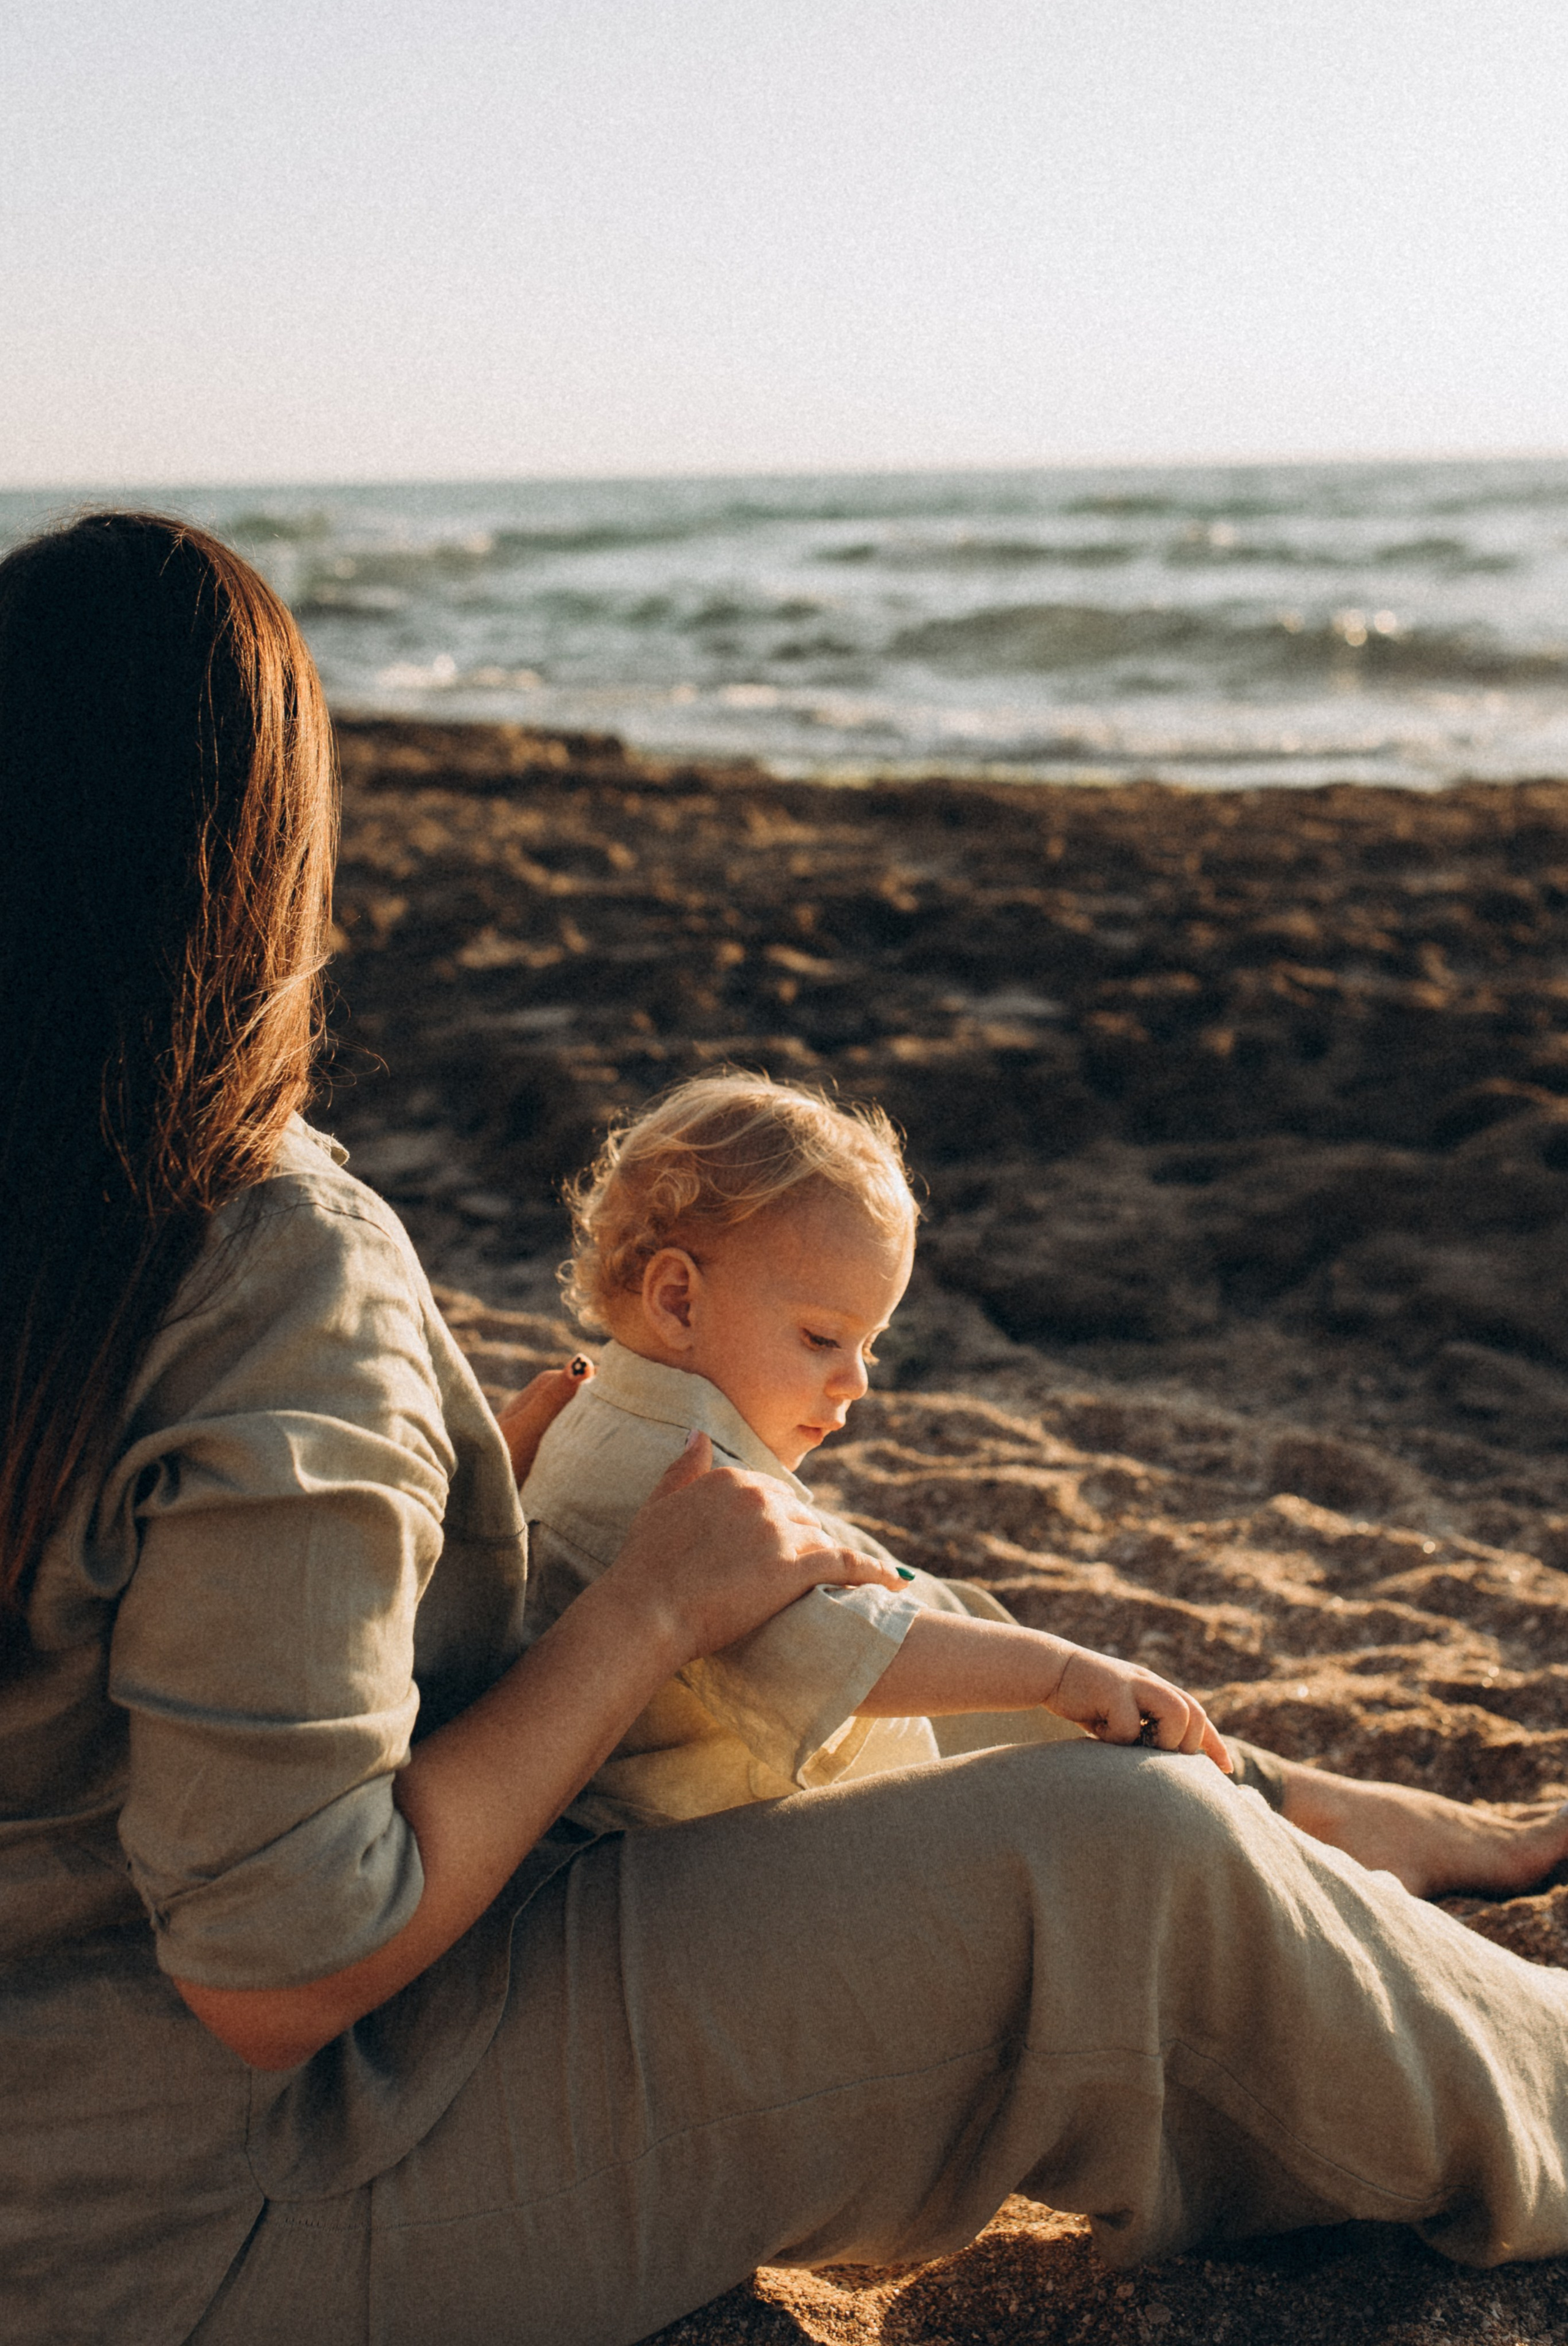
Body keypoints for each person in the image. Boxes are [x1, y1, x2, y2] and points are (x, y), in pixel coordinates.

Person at [5, 512, 1568, 2346]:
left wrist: (444, 1532)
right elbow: (282, 1962)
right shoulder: (254, 1240)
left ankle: (1350, 1851)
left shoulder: (87, 1219)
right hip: (214, 2203)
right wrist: (637, 1615)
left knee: (895, 1616)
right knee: (1122, 1866)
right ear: (259, 856)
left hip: (64, 2128)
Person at [524, 1073, 1568, 1895]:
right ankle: (1311, 1846)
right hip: (712, 1881)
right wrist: (1061, 1670)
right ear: (677, 1299)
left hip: (731, 1821)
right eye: (821, 1338)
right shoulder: (675, 1472)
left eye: (872, 1343)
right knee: (1103, 1780)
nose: (855, 1381)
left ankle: (1322, 1814)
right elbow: (834, 1647)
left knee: (949, 1611)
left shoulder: (609, 1414)